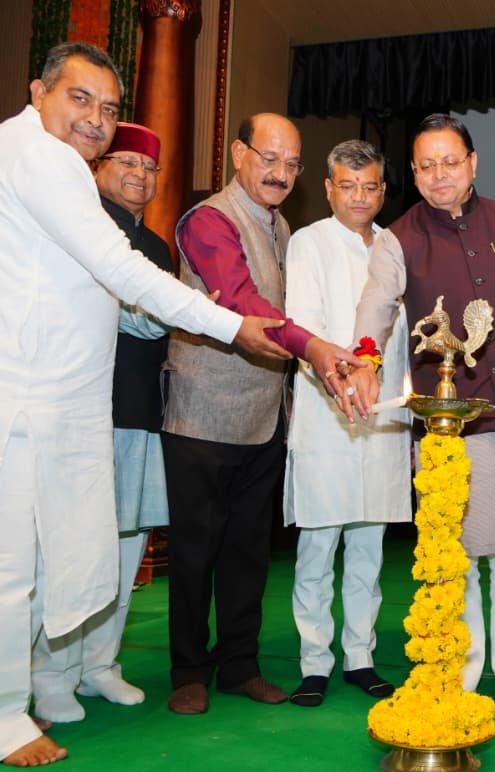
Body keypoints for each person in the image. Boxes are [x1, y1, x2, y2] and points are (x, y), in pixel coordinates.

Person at [0, 43, 316, 767]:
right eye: (80, 98)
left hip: (26, 399)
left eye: (109, 108)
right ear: (38, 91)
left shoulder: (39, 160)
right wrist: (234, 325)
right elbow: (121, 270)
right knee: (4, 565)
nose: (96, 118)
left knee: (0, 559)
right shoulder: (39, 158)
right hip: (12, 403)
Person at [347, 114, 495, 722]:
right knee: (452, 556)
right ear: (414, 174)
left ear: (472, 163)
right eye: (426, 165)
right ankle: (458, 672)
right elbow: (374, 307)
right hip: (447, 427)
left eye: (450, 161)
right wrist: (363, 362)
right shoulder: (397, 238)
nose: (439, 174)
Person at [162, 112, 363, 716]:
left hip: (263, 415)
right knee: (195, 550)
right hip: (203, 412)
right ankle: (188, 671)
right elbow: (243, 303)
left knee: (248, 550)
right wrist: (317, 348)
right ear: (238, 154)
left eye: (291, 164)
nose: (280, 173)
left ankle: (239, 665)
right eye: (269, 159)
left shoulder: (281, 227)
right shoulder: (209, 220)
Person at [31, 121, 169, 722]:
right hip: (82, 411)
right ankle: (51, 673)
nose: (139, 175)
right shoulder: (78, 227)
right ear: (97, 167)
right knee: (74, 547)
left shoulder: (157, 248)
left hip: (140, 413)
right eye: (127, 162)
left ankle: (100, 665)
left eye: (149, 167)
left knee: (125, 547)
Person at [284, 140, 411, 707]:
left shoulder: (396, 245)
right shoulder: (308, 242)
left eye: (370, 187)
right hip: (326, 411)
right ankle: (314, 662)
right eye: (347, 186)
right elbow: (303, 326)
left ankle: (360, 655)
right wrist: (341, 380)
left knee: (368, 547)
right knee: (318, 544)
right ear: (329, 188)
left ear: (383, 191)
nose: (359, 197)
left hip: (382, 416)